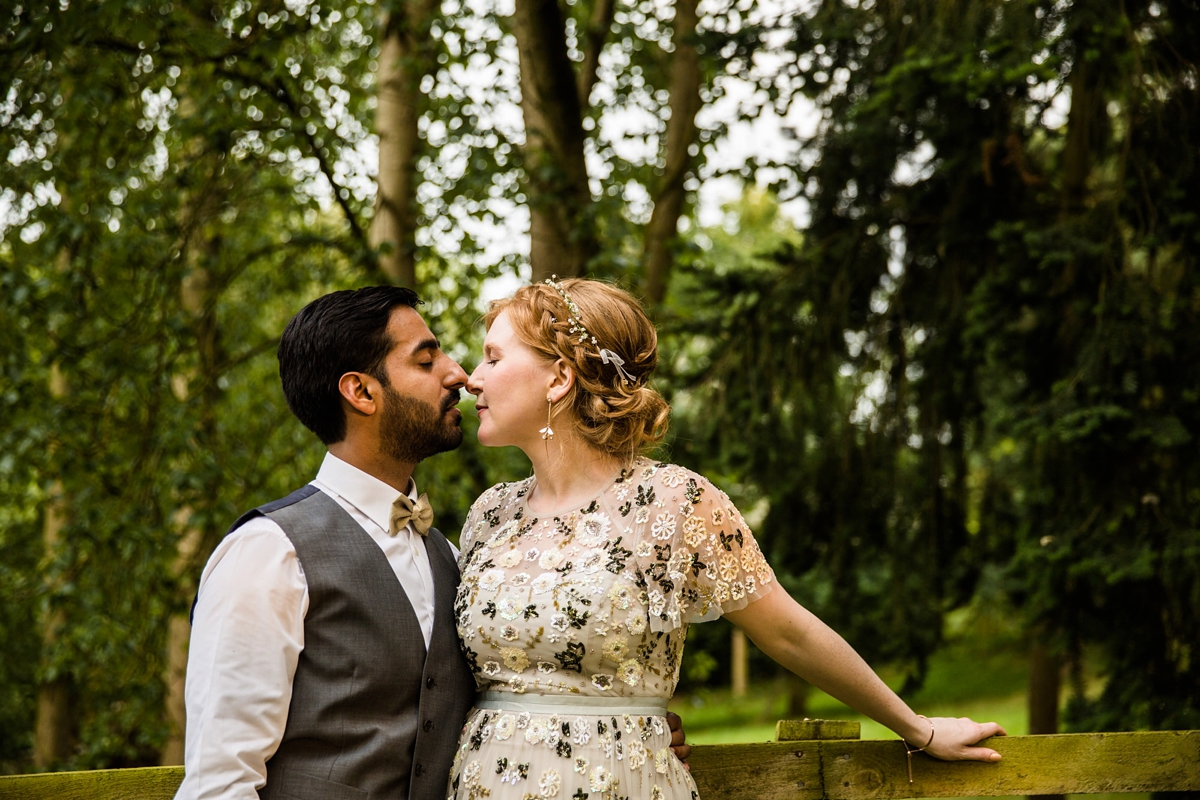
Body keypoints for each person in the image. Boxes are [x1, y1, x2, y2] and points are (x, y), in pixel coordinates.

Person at [447, 278, 1006, 800]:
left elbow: (788, 634)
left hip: (623, 780)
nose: (471, 376)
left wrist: (919, 728)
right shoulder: (489, 513)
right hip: (484, 781)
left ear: (559, 378)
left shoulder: (674, 502)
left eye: (493, 357)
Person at [177, 286, 687, 800]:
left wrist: (624, 725)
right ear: (362, 392)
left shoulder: (454, 556)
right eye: (426, 361)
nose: (460, 375)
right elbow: (219, 782)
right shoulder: (267, 553)